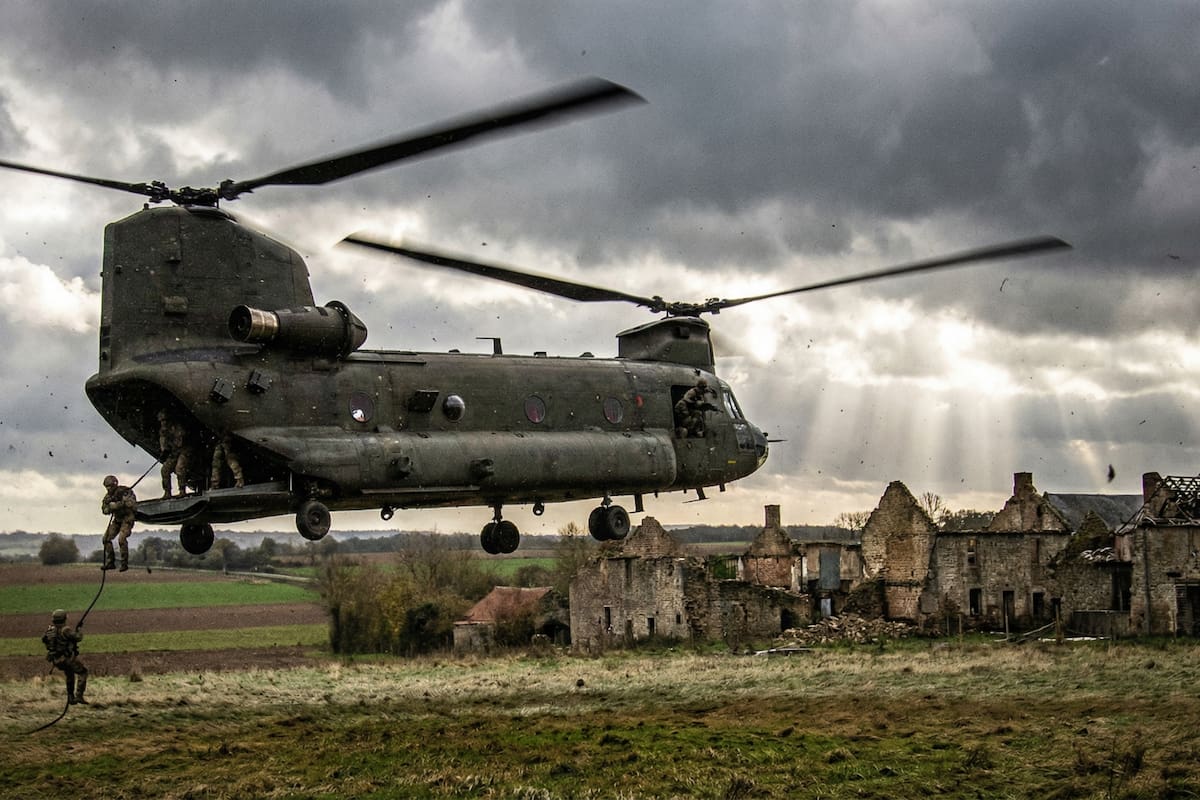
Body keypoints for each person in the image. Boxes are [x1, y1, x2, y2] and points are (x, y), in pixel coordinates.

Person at [42, 609, 87, 705]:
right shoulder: (65, 630)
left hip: (56, 660)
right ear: (64, 618)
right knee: (83, 672)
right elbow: (78, 638)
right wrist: (79, 630)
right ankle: (79, 696)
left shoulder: (50, 630)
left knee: (70, 674)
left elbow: (45, 640)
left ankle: (70, 697)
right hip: (66, 658)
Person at [101, 474, 137, 571]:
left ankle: (124, 564)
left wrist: (117, 505)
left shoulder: (125, 492)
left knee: (121, 539)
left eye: (110, 486)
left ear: (115, 485)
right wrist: (109, 507)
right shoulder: (108, 496)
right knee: (106, 539)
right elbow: (104, 510)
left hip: (127, 518)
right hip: (117, 520)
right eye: (107, 487)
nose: (108, 489)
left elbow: (131, 504)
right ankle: (110, 562)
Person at [158, 409, 193, 498]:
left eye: (165, 420)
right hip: (173, 453)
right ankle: (167, 492)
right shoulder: (163, 430)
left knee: (179, 469)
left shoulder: (177, 428)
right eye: (162, 421)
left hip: (183, 450)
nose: (163, 423)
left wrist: (169, 447)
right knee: (164, 470)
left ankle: (182, 490)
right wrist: (164, 451)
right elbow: (163, 442)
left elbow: (179, 442)